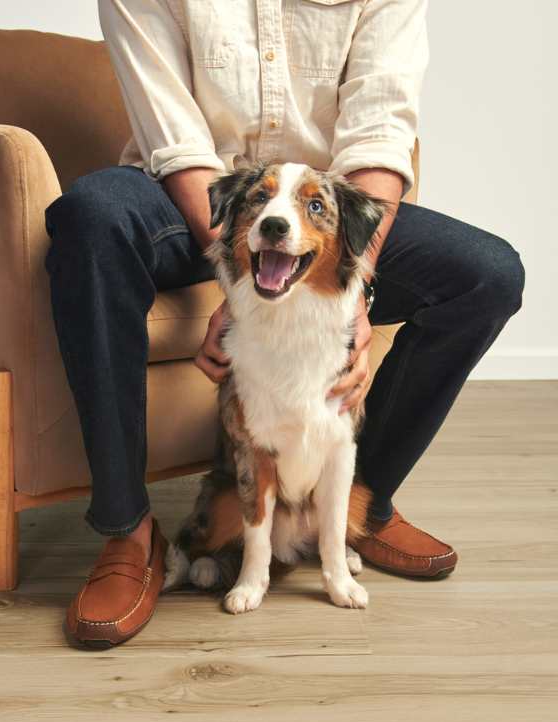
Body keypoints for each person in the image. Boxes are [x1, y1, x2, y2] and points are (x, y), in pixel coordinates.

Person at [44, 0, 524, 648]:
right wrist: (240, 279)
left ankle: (362, 505)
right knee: (89, 217)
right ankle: (129, 531)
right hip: (191, 196)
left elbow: (378, 135)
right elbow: (176, 140)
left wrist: (354, 288)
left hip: (325, 215)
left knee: (489, 273)